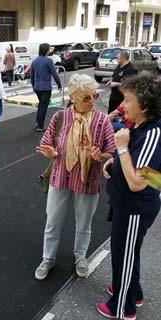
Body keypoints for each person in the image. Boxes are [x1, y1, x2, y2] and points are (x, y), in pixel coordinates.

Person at [35, 74, 115, 280]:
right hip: (60, 177)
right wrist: (50, 152)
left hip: (88, 180)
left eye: (95, 96)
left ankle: (80, 256)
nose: (93, 101)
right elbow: (47, 143)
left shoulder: (102, 120)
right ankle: (48, 258)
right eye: (86, 98)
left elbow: (111, 151)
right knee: (52, 221)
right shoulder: (60, 117)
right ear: (73, 98)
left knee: (84, 224)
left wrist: (101, 155)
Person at [97, 73, 161, 320]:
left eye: (127, 99)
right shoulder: (142, 127)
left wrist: (121, 148)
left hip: (134, 207)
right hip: (128, 205)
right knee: (127, 252)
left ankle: (122, 308)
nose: (122, 105)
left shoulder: (152, 134)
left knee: (124, 254)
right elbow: (153, 176)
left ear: (144, 105)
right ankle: (132, 291)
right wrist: (113, 160)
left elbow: (137, 183)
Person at [31, 43, 62, 132]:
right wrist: (59, 85)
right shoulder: (48, 61)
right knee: (43, 106)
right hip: (46, 88)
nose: (49, 51)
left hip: (37, 87)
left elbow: (32, 76)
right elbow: (54, 74)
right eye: (49, 50)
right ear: (46, 50)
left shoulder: (34, 61)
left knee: (41, 105)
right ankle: (40, 126)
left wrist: (33, 86)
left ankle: (37, 123)